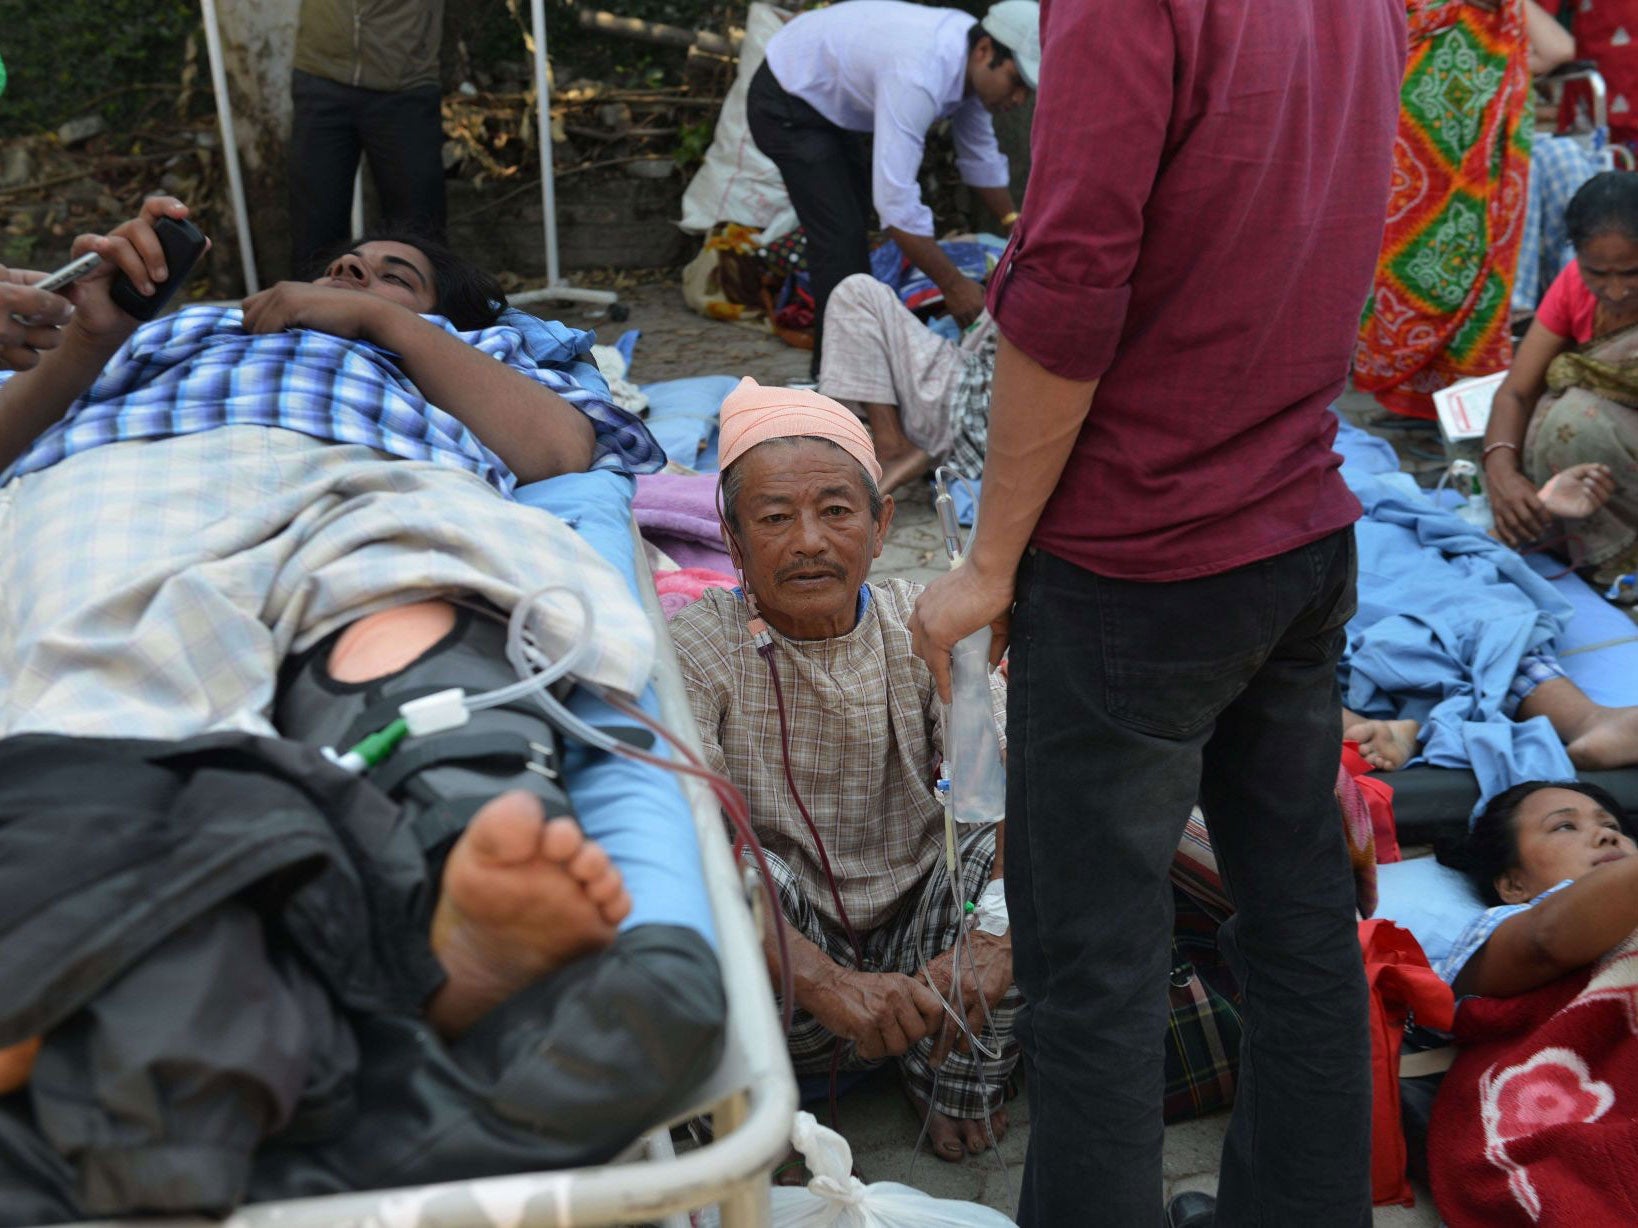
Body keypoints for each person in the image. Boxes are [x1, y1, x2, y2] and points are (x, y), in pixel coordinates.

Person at [907, 0, 1407, 1224]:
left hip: (1144, 557)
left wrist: (991, 561)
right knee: (1296, 927)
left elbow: (1074, 279)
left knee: (1093, 974)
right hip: (1295, 521)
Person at [0, 200, 668, 1105]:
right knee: (103, 659)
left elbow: (559, 451)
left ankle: (456, 895)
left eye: (400, 274)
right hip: (140, 473)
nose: (361, 276)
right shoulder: (183, 327)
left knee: (407, 628)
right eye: (348, 266)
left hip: (377, 477)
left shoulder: (461, 355)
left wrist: (385, 324)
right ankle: (65, 952)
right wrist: (89, 341)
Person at [668, 378, 1018, 1165]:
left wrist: (992, 935)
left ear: (882, 522)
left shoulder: (923, 624)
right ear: (731, 540)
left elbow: (1008, 788)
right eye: (773, 518)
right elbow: (691, 845)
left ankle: (952, 1072)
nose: (810, 542)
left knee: (1023, 863)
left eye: (835, 510)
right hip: (792, 961)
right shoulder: (694, 649)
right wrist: (825, 983)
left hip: (933, 947)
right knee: (720, 878)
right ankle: (763, 1114)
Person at [745, 0, 1038, 376]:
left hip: (828, 98)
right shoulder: (919, 74)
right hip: (786, 96)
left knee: (853, 227)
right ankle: (836, 383)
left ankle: (855, 358)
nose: (1018, 99)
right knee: (840, 239)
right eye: (1016, 83)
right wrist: (953, 285)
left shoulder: (971, 60)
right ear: (985, 52)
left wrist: (1014, 227)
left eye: (1027, 91)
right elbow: (896, 206)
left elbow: (980, 157)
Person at [1354, 0, 1533, 421]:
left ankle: (1461, 410)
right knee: (1403, 261)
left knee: (1472, 254)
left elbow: (1557, 49)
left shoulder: (1502, 12)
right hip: (1414, 140)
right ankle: (1409, 400)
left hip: (1475, 139)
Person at [1486, 171, 1638, 601]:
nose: (1615, 290)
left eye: (1632, 273)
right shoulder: (1574, 284)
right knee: (1533, 422)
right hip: (1604, 464)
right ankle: (1587, 548)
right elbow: (1515, 391)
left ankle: (1619, 557)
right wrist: (1502, 474)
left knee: (1574, 420)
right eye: (1598, 273)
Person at [289, 0, 448, 276]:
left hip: (406, 86)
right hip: (319, 76)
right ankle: (311, 315)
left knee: (417, 229)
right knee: (315, 227)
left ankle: (422, 317)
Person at [818, 271, 997, 492]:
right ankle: (879, 441)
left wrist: (953, 283)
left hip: (971, 405)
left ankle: (891, 445)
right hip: (978, 394)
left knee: (856, 292)